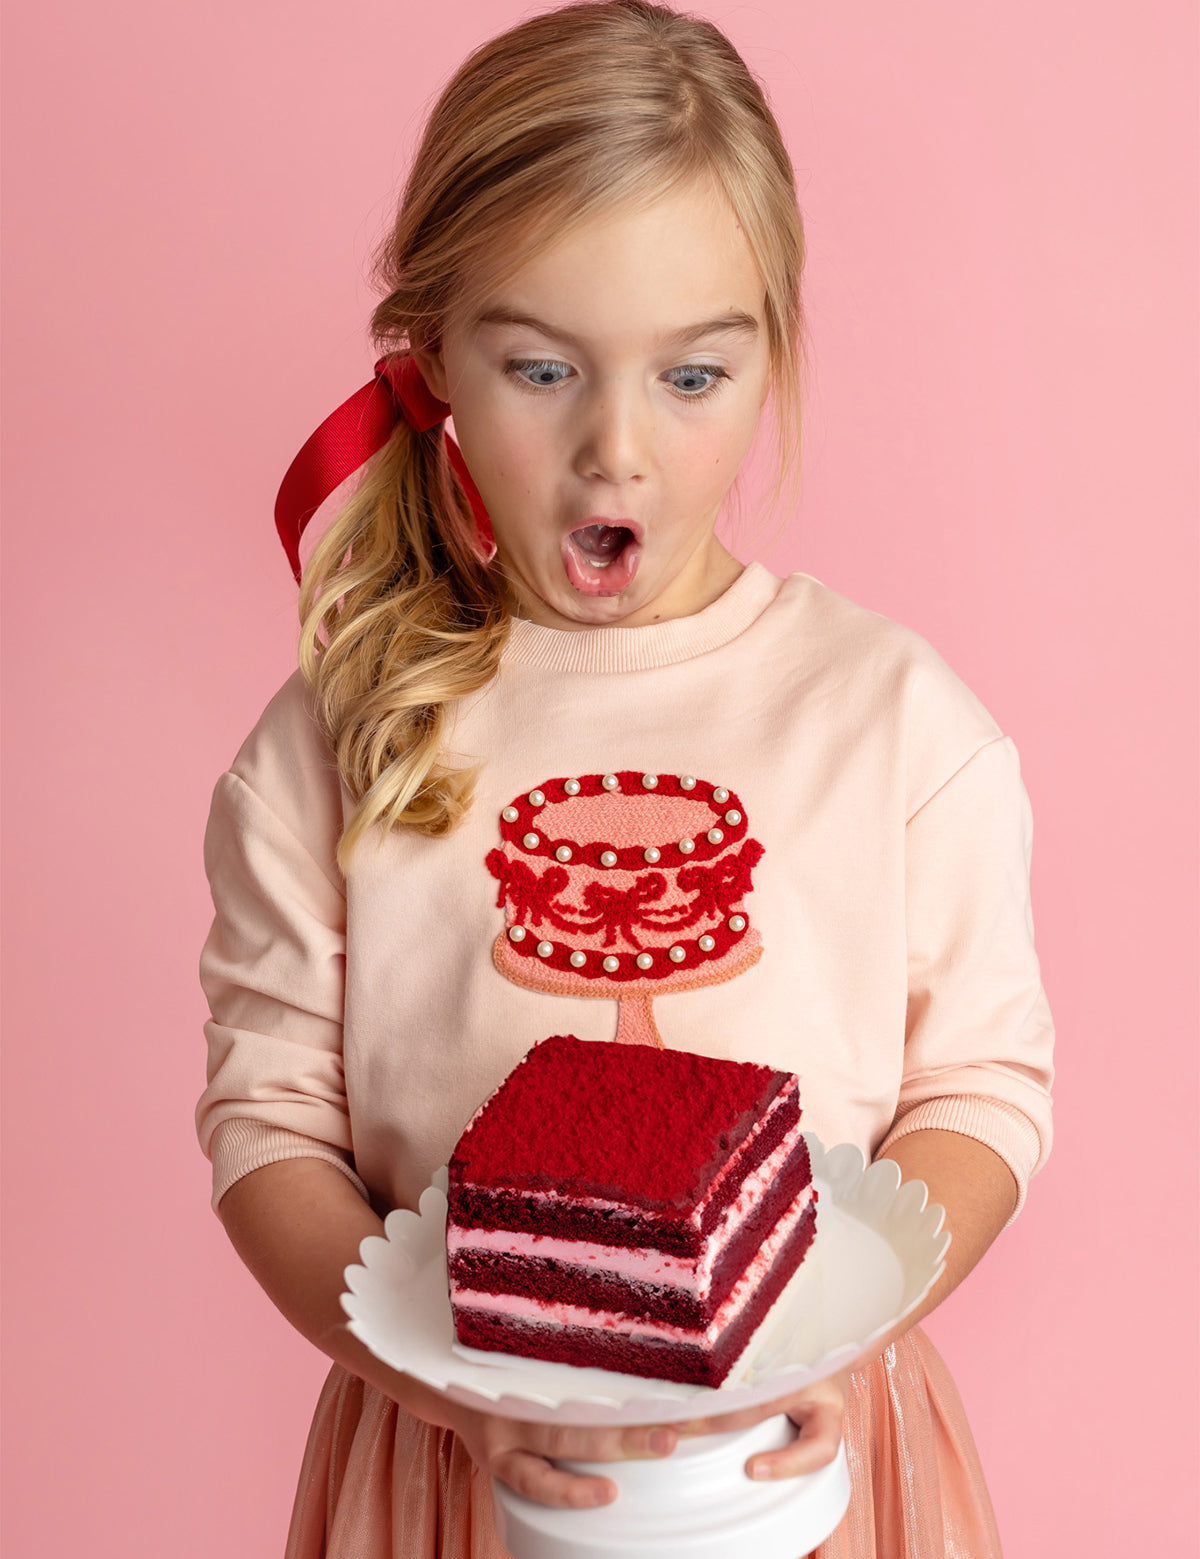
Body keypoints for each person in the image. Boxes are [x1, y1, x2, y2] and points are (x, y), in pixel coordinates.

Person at [195, 3, 1055, 1554]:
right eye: (540, 367)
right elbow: (269, 1132)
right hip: (459, 1471)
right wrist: (459, 1398)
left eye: (693, 377)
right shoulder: (339, 742)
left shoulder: (896, 723)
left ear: (774, 349)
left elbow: (980, 1090)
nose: (617, 452)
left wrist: (845, 1341)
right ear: (433, 357)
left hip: (811, 1458)